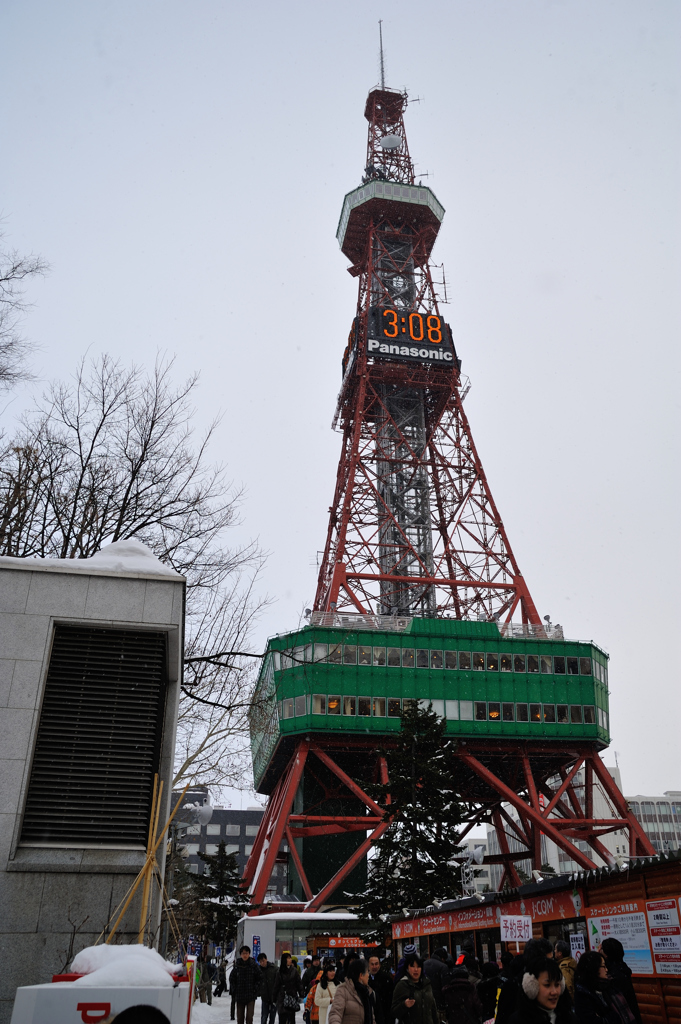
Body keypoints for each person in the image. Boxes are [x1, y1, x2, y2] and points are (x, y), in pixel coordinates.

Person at [496, 940, 555, 1024]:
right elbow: (503, 1018)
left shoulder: (554, 984)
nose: (552, 965)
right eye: (548, 960)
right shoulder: (514, 986)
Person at [507, 957, 572, 1024]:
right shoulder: (517, 1021)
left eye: (557, 985)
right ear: (531, 986)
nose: (554, 992)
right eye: (547, 985)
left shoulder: (569, 1018)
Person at [574, 951, 631, 1024]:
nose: (606, 970)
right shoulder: (583, 993)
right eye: (603, 966)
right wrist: (613, 1016)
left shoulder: (608, 985)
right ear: (594, 968)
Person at [601, 938, 642, 1024]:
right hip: (632, 1017)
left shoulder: (610, 976)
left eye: (601, 949)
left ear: (606, 955)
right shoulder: (623, 969)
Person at [392, 953, 439, 1024]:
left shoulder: (426, 984)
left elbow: (433, 1008)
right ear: (407, 968)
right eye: (412, 966)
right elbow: (393, 1011)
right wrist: (404, 1005)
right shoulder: (402, 985)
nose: (416, 970)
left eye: (418, 967)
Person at [328, 958, 375, 1024]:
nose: (368, 975)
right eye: (367, 972)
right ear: (361, 975)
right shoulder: (343, 990)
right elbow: (335, 1013)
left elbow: (371, 1018)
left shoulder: (367, 992)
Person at [229, 944, 263, 1024]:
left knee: (249, 1017)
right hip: (240, 995)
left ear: (249, 954)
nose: (245, 955)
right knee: (240, 1018)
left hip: (250, 995)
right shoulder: (237, 965)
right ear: (240, 955)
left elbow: (260, 978)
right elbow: (232, 978)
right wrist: (235, 989)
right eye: (243, 953)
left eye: (246, 953)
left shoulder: (253, 965)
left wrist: (255, 989)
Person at [274, 952, 305, 1024]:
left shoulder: (294, 971)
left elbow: (299, 983)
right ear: (284, 960)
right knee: (282, 1019)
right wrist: (274, 998)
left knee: (291, 1019)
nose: (290, 960)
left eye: (290, 958)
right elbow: (276, 985)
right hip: (282, 998)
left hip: (292, 997)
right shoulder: (279, 972)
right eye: (288, 958)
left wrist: (301, 993)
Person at [368, 953, 395, 1024]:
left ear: (379, 965)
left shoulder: (386, 979)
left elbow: (390, 1000)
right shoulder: (365, 980)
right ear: (368, 965)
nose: (374, 966)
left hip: (384, 1015)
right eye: (372, 964)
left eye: (376, 964)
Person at [259, 952, 279, 1024]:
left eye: (263, 961)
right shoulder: (258, 970)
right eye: (260, 962)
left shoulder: (274, 968)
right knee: (264, 1016)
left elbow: (278, 981)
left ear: (266, 959)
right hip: (264, 997)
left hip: (273, 996)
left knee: (272, 1016)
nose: (262, 963)